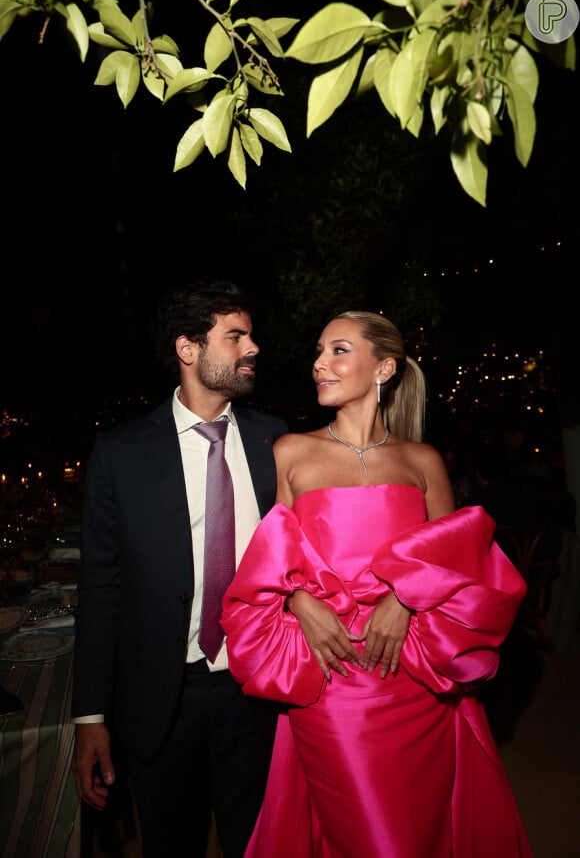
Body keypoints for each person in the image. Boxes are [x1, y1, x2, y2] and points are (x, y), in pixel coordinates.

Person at [222, 310, 533, 857]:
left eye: (338, 350)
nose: (319, 363)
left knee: (420, 831)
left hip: (415, 678)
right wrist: (299, 601)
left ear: (384, 367)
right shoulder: (289, 453)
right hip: (330, 674)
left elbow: (461, 563)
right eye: (319, 351)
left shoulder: (422, 461)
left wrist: (406, 598)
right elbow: (265, 558)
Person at [71, 280, 289, 858]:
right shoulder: (121, 452)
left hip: (259, 690)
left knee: (263, 843)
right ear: (188, 349)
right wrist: (90, 715)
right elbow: (100, 587)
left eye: (251, 334)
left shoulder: (279, 441)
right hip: (160, 697)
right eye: (236, 336)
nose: (253, 348)